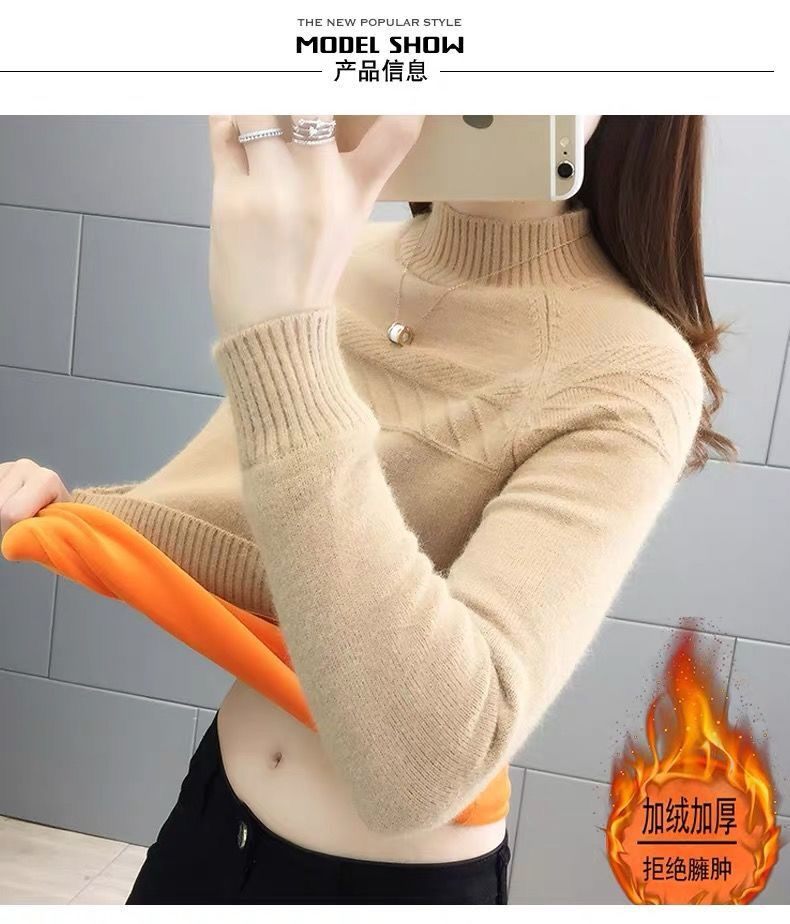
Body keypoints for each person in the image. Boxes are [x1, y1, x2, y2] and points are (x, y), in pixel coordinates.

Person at [0, 114, 735, 904]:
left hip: (391, 886)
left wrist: (280, 339)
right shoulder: (341, 259)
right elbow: (251, 539)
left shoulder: (635, 372)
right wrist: (66, 516)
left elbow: (426, 767)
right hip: (213, 812)